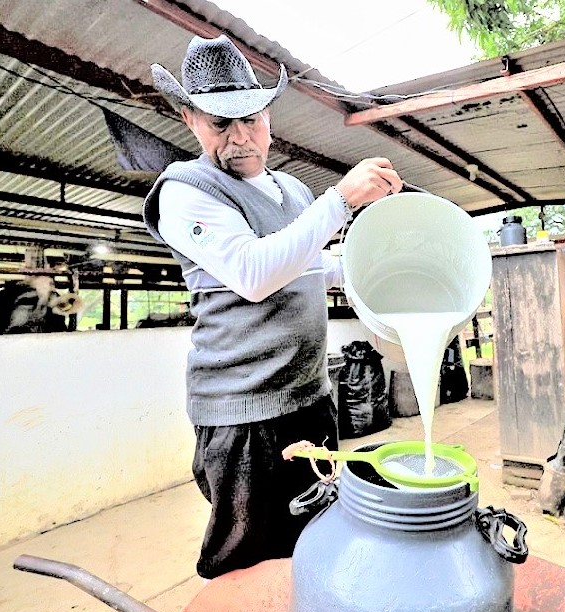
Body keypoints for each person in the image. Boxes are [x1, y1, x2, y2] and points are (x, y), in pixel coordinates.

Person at [142, 34, 403, 579]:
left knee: (318, 537)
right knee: (250, 556)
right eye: (220, 123)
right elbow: (255, 273)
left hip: (309, 399)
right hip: (245, 414)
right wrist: (342, 201)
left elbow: (311, 266)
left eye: (252, 120)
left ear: (269, 117)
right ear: (190, 118)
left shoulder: (292, 191)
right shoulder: (185, 191)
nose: (240, 138)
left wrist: (379, 263)